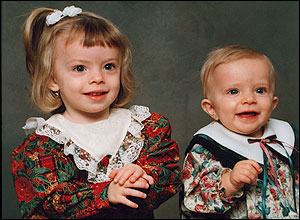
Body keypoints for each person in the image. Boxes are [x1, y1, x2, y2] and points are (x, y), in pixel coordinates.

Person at [11, 5, 182, 219]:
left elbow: (170, 173)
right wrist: (105, 193)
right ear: (52, 80)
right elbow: (48, 202)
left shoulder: (143, 128)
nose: (97, 78)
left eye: (109, 66)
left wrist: (145, 175)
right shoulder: (46, 144)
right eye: (80, 68)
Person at [180, 45, 299, 219]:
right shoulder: (206, 148)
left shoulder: (288, 137)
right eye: (233, 91)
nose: (249, 99)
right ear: (211, 108)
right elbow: (194, 200)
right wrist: (231, 181)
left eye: (260, 90)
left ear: (273, 103)